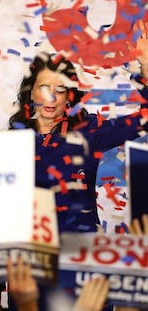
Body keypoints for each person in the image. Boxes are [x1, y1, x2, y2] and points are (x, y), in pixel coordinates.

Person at [9, 21, 148, 234]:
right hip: (31, 248)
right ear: (30, 92)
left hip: (80, 251)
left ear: (70, 97)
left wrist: (146, 68)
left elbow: (145, 120)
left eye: (61, 89)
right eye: (44, 87)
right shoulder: (13, 139)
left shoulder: (89, 131)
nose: (51, 98)